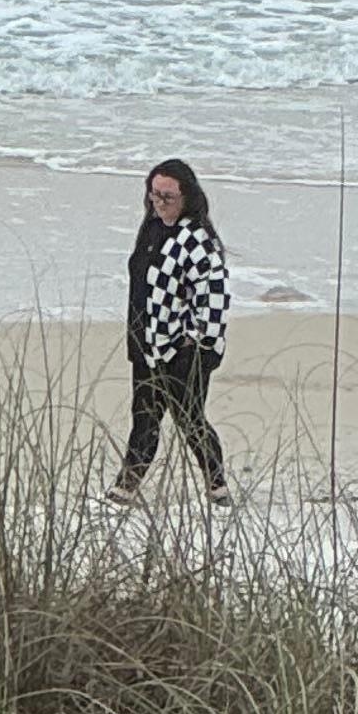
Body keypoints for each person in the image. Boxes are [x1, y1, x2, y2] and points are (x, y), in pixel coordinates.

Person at [110, 157, 231, 506]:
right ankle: (126, 486)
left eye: (168, 197)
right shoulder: (150, 229)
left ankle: (217, 484)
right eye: (154, 195)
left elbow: (214, 297)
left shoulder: (197, 239)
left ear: (187, 197)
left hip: (182, 348)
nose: (159, 204)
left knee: (190, 419)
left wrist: (198, 343)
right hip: (146, 344)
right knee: (144, 419)